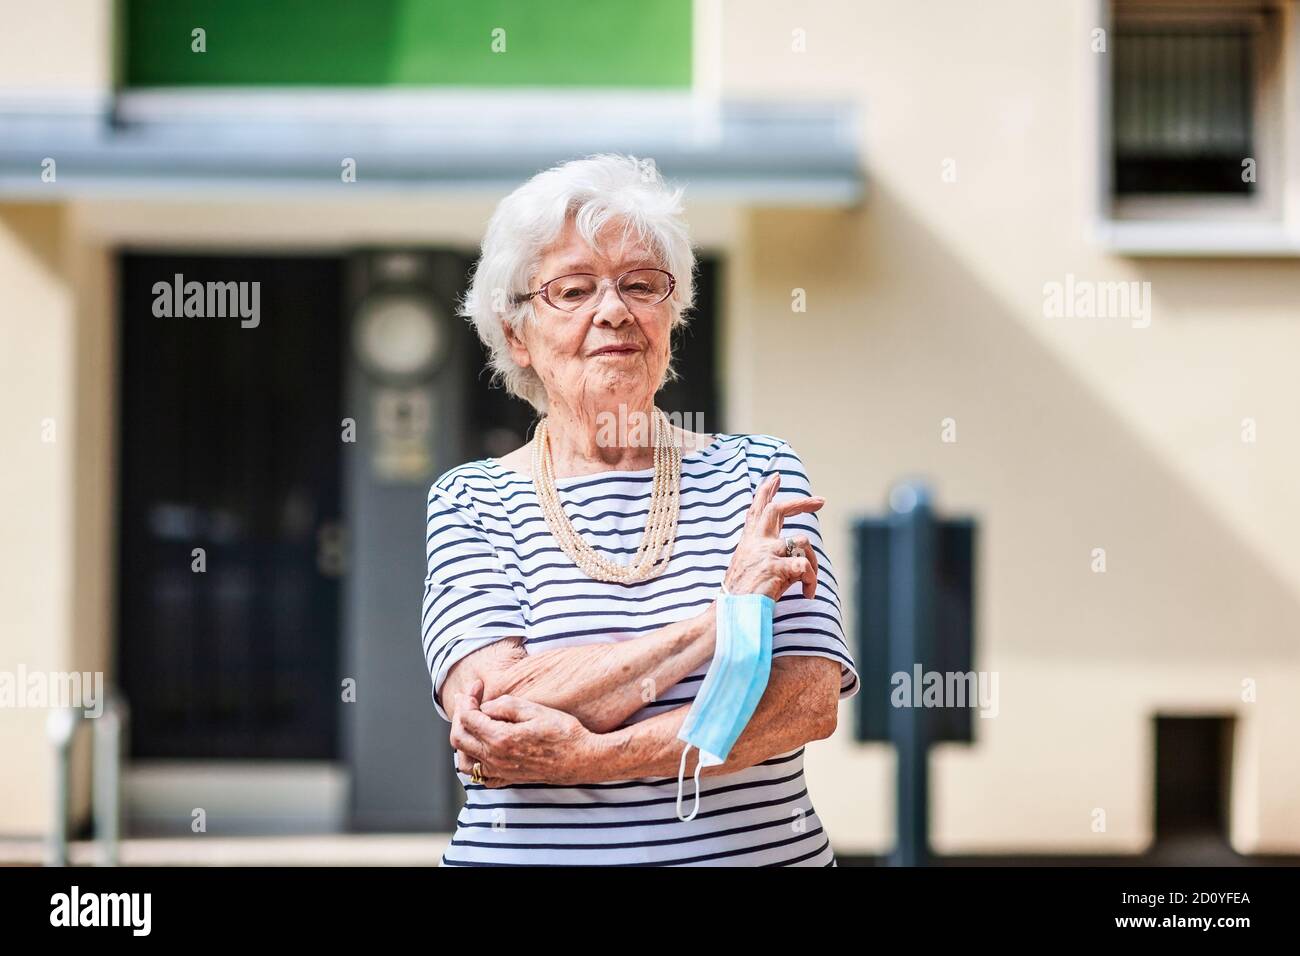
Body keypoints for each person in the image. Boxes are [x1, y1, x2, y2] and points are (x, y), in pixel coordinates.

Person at [422, 153, 859, 865]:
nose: (614, 310)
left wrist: (585, 756)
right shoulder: (473, 501)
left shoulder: (759, 473)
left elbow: (800, 703)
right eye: (573, 289)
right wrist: (725, 620)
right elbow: (496, 708)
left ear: (671, 313)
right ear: (515, 335)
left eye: (641, 285)